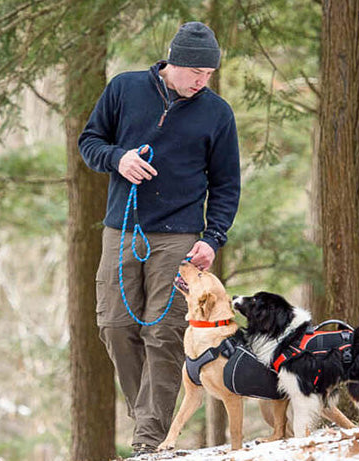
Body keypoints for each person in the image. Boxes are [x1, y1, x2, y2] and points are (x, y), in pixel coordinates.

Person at [78, 21, 241, 456]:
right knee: (114, 326)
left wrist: (213, 238)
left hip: (181, 238)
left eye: (208, 74)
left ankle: (149, 442)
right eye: (196, 73)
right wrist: (118, 158)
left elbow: (226, 184)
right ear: (173, 62)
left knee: (163, 334)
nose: (202, 81)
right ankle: (147, 415)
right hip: (122, 229)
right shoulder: (124, 89)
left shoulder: (217, 113)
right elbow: (89, 141)